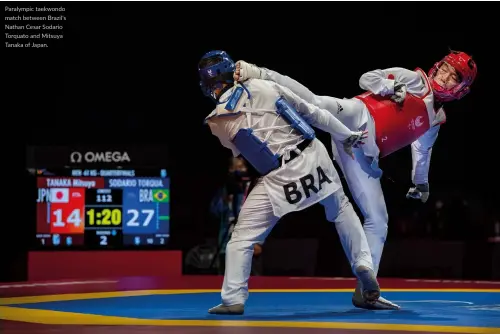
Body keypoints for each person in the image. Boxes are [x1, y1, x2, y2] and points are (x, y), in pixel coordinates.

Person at [234, 50, 477, 310]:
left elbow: (422, 150)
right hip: (357, 116)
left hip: (363, 154)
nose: (445, 75)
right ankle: (257, 73)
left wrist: (421, 184)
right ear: (437, 65)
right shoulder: (416, 81)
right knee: (315, 102)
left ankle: (366, 291)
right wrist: (388, 85)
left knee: (379, 219)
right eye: (446, 68)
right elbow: (366, 78)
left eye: (454, 76)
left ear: (460, 90)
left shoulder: (436, 120)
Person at [199, 50, 380, 315]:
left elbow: (244, 152)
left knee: (242, 239)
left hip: (279, 177)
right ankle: (364, 264)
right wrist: (347, 134)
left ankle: (233, 299)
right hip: (313, 154)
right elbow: (315, 113)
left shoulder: (216, 120)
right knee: (341, 208)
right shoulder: (266, 85)